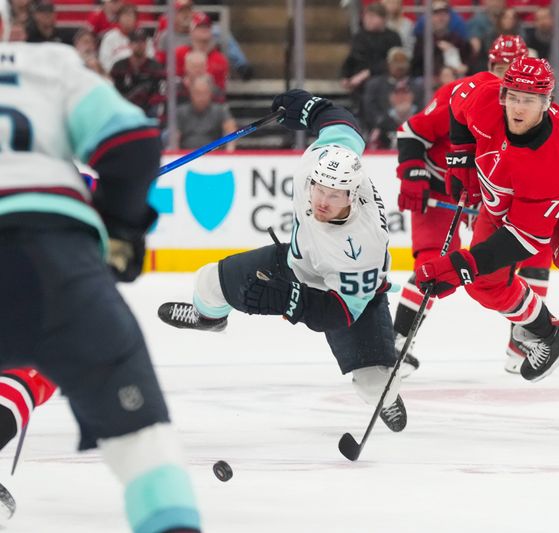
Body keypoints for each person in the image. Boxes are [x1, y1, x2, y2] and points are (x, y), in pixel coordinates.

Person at [0, 35, 202, 532]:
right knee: (145, 448)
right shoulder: (46, 64)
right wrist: (120, 230)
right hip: (56, 260)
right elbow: (132, 146)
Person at [414, 57, 559, 446]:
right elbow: (457, 99)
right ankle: (549, 333)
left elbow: (523, 241)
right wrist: (460, 160)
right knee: (483, 285)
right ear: (503, 94)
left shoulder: (557, 155)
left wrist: (460, 264)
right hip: (503, 203)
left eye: (531, 99)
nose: (519, 107)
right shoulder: (487, 99)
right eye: (514, 96)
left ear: (547, 103)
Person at [158, 90, 408, 433]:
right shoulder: (320, 161)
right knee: (208, 282)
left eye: (334, 195)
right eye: (319, 189)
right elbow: (342, 124)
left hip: (346, 296)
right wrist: (310, 106)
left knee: (372, 385)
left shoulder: (361, 246)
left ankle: (387, 391)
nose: (321, 200)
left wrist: (293, 303)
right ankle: (210, 319)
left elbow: (338, 313)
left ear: (352, 194)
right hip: (296, 262)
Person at [394, 34, 547, 375]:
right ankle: (396, 343)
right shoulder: (460, 92)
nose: (504, 74)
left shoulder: (531, 108)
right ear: (489, 66)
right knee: (436, 266)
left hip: (489, 196)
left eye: (512, 68)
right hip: (441, 188)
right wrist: (413, 174)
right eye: (499, 67)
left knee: (536, 253)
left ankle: (522, 344)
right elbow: (411, 131)